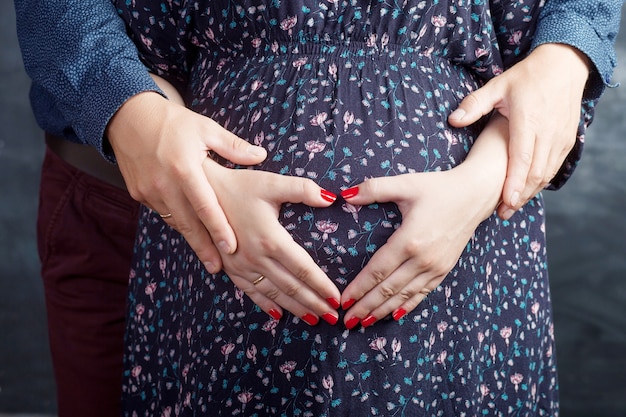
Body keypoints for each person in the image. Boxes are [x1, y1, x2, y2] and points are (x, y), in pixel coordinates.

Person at [13, 0, 622, 415]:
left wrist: (507, 153)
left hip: (471, 257)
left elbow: (554, 42)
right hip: (150, 219)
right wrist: (132, 112)